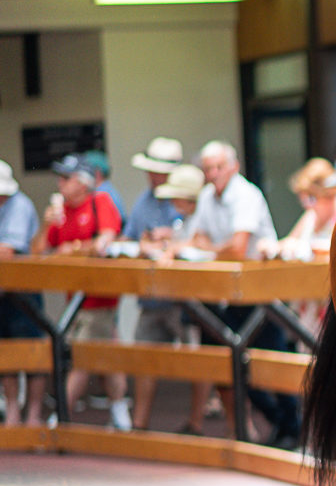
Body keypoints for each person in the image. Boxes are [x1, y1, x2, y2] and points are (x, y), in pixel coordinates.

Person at [184, 140, 301, 449]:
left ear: (234, 167)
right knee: (237, 366)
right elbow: (195, 238)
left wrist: (209, 248)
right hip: (229, 293)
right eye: (208, 168)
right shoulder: (208, 197)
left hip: (261, 293)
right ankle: (281, 425)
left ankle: (292, 427)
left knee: (272, 362)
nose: (213, 173)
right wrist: (211, 247)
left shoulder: (246, 194)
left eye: (219, 166)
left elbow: (236, 247)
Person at [34, 153, 132, 430]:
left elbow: (105, 242)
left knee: (82, 357)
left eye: (66, 178)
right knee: (105, 355)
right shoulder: (61, 211)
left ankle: (60, 418)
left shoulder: (100, 201)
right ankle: (120, 412)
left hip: (99, 296)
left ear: (82, 182)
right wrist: (46, 223)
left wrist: (72, 249)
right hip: (74, 298)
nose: (60, 183)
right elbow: (39, 251)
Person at [121, 136, 192, 431]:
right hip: (151, 298)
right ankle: (140, 425)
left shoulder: (190, 196)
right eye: (149, 170)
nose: (151, 176)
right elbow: (129, 237)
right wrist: (143, 243)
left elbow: (202, 239)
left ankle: (206, 424)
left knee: (203, 363)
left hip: (186, 299)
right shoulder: (144, 200)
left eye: (157, 171)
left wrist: (173, 240)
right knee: (144, 361)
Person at [0, 159, 46, 426]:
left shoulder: (19, 205)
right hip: (3, 294)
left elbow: (8, 252)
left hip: (23, 293)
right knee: (6, 353)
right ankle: (14, 413)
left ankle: (33, 415)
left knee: (32, 354)